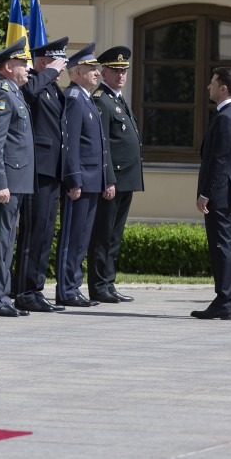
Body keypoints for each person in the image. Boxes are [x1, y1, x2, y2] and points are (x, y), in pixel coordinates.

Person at [55, 44, 115, 308]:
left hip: (92, 180)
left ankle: (73, 286)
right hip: (81, 181)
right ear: (77, 72)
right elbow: (70, 144)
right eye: (91, 69)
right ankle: (67, 288)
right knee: (73, 237)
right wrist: (73, 178)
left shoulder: (85, 98)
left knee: (82, 238)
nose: (97, 73)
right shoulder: (74, 99)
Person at [13, 37, 69, 313]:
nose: (62, 68)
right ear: (44, 61)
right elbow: (26, 95)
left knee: (45, 232)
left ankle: (35, 288)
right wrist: (47, 73)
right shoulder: (33, 81)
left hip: (52, 169)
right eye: (58, 62)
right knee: (33, 231)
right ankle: (24, 290)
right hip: (37, 169)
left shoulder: (51, 86)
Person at [0, 38, 34, 318]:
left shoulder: (13, 91)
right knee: (1, 240)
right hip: (8, 181)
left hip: (17, 179)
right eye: (24, 63)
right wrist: (0, 182)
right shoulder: (1, 92)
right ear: (10, 66)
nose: (29, 68)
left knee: (7, 239)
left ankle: (1, 295)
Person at [193, 67, 231, 320]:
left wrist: (205, 193)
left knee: (222, 247)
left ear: (223, 88)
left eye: (213, 83)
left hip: (220, 191)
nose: (209, 87)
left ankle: (224, 300)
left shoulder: (226, 117)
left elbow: (218, 160)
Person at [88, 46, 143, 304]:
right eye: (115, 71)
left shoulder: (117, 99)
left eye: (124, 71)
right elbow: (103, 145)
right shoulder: (101, 100)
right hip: (114, 179)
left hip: (126, 179)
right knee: (104, 234)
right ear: (104, 72)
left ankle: (108, 283)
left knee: (115, 235)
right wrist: (108, 178)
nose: (121, 76)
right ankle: (99, 285)